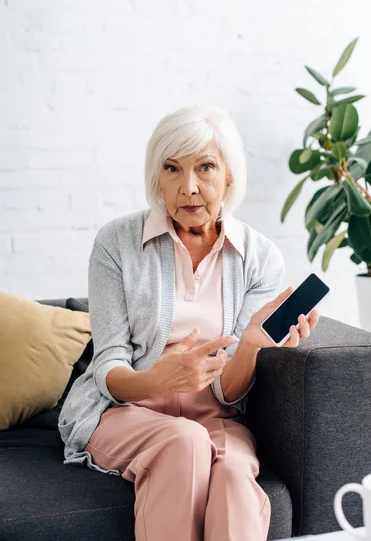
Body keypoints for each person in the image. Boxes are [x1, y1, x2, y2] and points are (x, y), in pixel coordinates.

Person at [58, 104, 320, 541]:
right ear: (157, 176)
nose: (188, 187)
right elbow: (108, 363)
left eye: (205, 168)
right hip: (124, 410)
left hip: (216, 418)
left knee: (236, 478)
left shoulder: (258, 257)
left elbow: (230, 393)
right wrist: (159, 380)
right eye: (172, 169)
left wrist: (251, 344)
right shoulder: (116, 244)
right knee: (184, 441)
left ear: (229, 176)